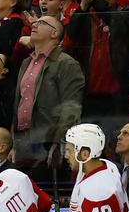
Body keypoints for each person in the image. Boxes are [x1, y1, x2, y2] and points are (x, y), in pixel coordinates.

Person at [12, 15, 85, 173]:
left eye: (42, 23)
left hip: (48, 140)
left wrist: (59, 142)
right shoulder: (26, 62)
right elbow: (20, 102)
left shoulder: (67, 63)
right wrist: (14, 142)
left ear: (54, 33)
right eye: (36, 22)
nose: (35, 25)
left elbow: (71, 108)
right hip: (24, 139)